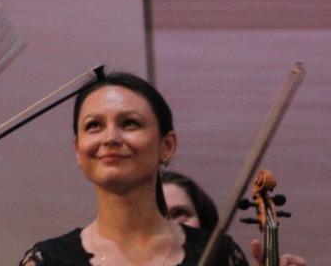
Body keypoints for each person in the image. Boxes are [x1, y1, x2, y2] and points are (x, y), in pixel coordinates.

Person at [20, 71, 257, 266]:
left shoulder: (219, 255)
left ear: (167, 146)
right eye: (94, 125)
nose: (110, 138)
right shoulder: (47, 261)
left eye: (129, 123)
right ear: (78, 151)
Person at [161, 170, 306, 266]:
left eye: (180, 213)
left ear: (203, 219)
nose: (171, 225)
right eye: (159, 216)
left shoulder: (229, 255)